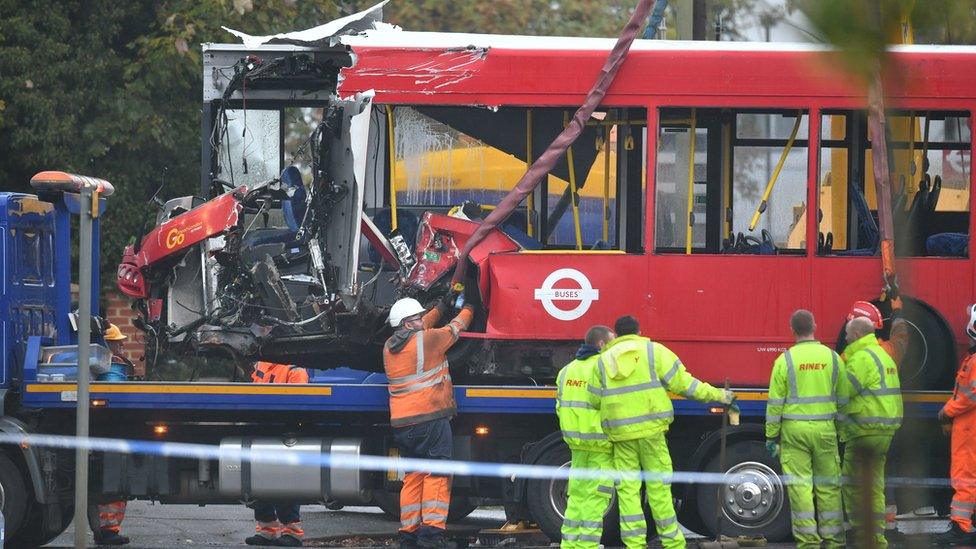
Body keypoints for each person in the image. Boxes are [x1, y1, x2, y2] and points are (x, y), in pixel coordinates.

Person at [589, 315, 734, 549]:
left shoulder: (602, 361)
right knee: (659, 488)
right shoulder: (654, 351)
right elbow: (685, 385)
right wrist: (719, 396)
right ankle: (672, 543)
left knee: (627, 490)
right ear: (638, 330)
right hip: (652, 433)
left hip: (621, 436)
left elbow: (594, 400)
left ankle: (635, 544)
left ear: (616, 334)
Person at [385, 294, 474, 549]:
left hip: (403, 423)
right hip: (430, 420)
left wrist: (441, 306)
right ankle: (431, 536)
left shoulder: (390, 346)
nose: (422, 320)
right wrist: (469, 307)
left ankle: (409, 535)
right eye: (417, 317)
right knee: (437, 474)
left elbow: (424, 324)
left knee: (413, 476)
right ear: (407, 323)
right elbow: (455, 328)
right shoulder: (429, 340)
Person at [765, 310, 844, 548]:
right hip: (825, 431)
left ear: (792, 329)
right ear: (815, 326)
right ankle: (833, 540)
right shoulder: (833, 358)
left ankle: (808, 542)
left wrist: (771, 435)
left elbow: (775, 404)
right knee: (829, 486)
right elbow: (844, 400)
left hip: (794, 432)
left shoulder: (784, 361)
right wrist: (840, 430)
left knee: (800, 487)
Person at [844, 294, 909, 542]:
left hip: (864, 429)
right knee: (874, 483)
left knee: (851, 481)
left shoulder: (858, 357)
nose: (846, 336)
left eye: (849, 331)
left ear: (858, 332)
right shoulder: (887, 352)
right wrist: (898, 312)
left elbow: (842, 392)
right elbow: (902, 338)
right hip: (886, 429)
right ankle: (877, 533)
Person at [556, 325, 616, 549]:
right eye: (612, 342)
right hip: (601, 444)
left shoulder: (567, 371)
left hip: (577, 445)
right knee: (596, 498)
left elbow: (560, 406)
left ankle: (569, 544)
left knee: (576, 497)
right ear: (601, 344)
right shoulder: (604, 369)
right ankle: (588, 546)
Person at [246, 361, 309, 546]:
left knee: (284, 481)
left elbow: (299, 405)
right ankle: (266, 530)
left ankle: (292, 533)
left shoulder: (294, 368)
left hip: (282, 431)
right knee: (259, 479)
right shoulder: (262, 364)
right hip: (262, 428)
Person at [933, 304, 976, 545]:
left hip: (970, 431)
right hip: (969, 428)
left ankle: (961, 527)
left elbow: (971, 395)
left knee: (965, 477)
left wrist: (947, 411)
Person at [93, 324, 133, 545]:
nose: (122, 344)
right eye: (117, 341)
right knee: (112, 477)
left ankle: (108, 530)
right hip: (109, 429)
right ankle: (107, 530)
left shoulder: (108, 366)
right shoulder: (108, 367)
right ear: (105, 344)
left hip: (107, 429)